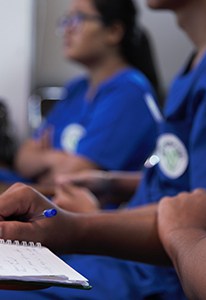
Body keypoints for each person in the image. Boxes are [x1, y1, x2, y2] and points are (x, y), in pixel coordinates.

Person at [0, 0, 206, 299]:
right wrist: (111, 183)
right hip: (131, 259)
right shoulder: (203, 61)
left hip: (154, 275)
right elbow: (183, 182)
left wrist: (86, 221)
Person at [0, 0, 160, 187]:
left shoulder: (129, 93)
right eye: (66, 20)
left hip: (83, 209)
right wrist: (56, 160)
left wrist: (44, 159)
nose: (67, 29)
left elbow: (74, 177)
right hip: (44, 195)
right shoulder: (76, 89)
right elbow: (23, 159)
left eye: (77, 19)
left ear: (113, 31)